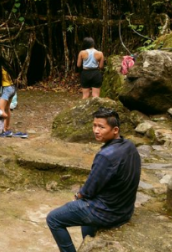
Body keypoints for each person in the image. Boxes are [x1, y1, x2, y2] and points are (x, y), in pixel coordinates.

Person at [46, 108, 141, 252]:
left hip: (108, 213)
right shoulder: (129, 146)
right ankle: (88, 246)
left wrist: (77, 196)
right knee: (85, 216)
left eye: (101, 127)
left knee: (53, 219)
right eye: (94, 125)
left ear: (115, 130)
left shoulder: (106, 155)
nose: (96, 130)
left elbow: (88, 190)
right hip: (124, 210)